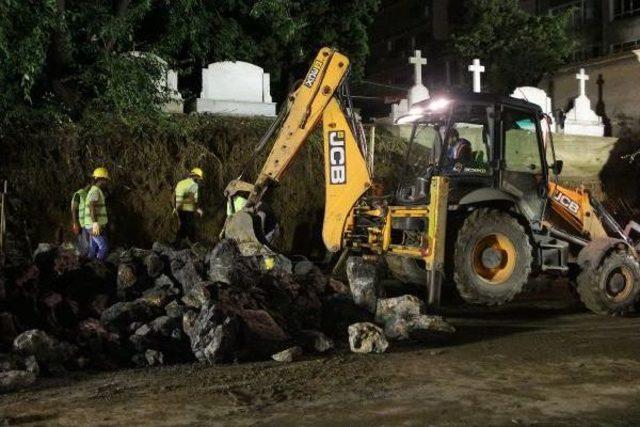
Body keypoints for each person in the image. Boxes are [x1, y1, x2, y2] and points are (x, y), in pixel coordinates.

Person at [86, 167, 110, 260]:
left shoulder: (95, 190)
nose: (107, 182)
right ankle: (98, 267)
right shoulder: (95, 190)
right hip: (94, 225)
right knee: (104, 247)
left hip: (92, 225)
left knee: (94, 247)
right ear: (101, 179)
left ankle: (88, 267)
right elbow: (92, 206)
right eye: (106, 180)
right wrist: (95, 223)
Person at [174, 167, 204, 244]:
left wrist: (175, 208)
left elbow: (174, 196)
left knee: (184, 226)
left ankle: (179, 244)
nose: (199, 181)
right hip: (187, 209)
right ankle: (190, 244)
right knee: (188, 227)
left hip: (179, 208)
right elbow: (193, 200)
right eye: (198, 179)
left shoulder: (180, 183)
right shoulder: (194, 186)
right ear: (196, 177)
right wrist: (198, 210)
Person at [70, 183, 91, 257]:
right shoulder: (78, 194)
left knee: (87, 244)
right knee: (85, 245)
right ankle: (82, 259)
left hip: (86, 223)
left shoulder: (87, 194)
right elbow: (73, 209)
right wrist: (75, 224)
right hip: (81, 224)